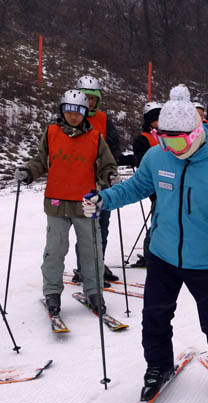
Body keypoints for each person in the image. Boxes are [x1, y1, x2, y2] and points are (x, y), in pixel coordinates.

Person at [82, 84, 208, 403]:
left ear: (196, 132)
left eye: (176, 140)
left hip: (203, 260)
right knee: (155, 317)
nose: (170, 147)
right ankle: (157, 366)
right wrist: (103, 200)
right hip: (162, 255)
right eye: (163, 138)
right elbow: (134, 188)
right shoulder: (159, 156)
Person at [14, 89, 117, 316]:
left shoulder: (95, 138)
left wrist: (110, 176)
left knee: (92, 251)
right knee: (55, 250)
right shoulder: (51, 133)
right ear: (62, 111)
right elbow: (40, 161)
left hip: (85, 203)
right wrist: (28, 173)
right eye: (69, 110)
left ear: (85, 113)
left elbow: (106, 165)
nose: (73, 115)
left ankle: (94, 291)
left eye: (78, 111)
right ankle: (52, 292)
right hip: (57, 203)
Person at [72, 75, 125, 285]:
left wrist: (113, 164)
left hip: (102, 181)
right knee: (86, 228)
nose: (90, 102)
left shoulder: (103, 119)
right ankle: (85, 269)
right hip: (81, 182)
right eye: (86, 97)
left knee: (103, 226)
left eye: (93, 98)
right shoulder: (72, 117)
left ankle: (98, 265)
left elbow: (114, 144)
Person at [129, 101, 162, 267]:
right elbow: (142, 163)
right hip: (153, 184)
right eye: (156, 118)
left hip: (169, 182)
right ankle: (150, 255)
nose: (159, 121)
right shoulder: (143, 139)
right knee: (159, 218)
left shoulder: (168, 134)